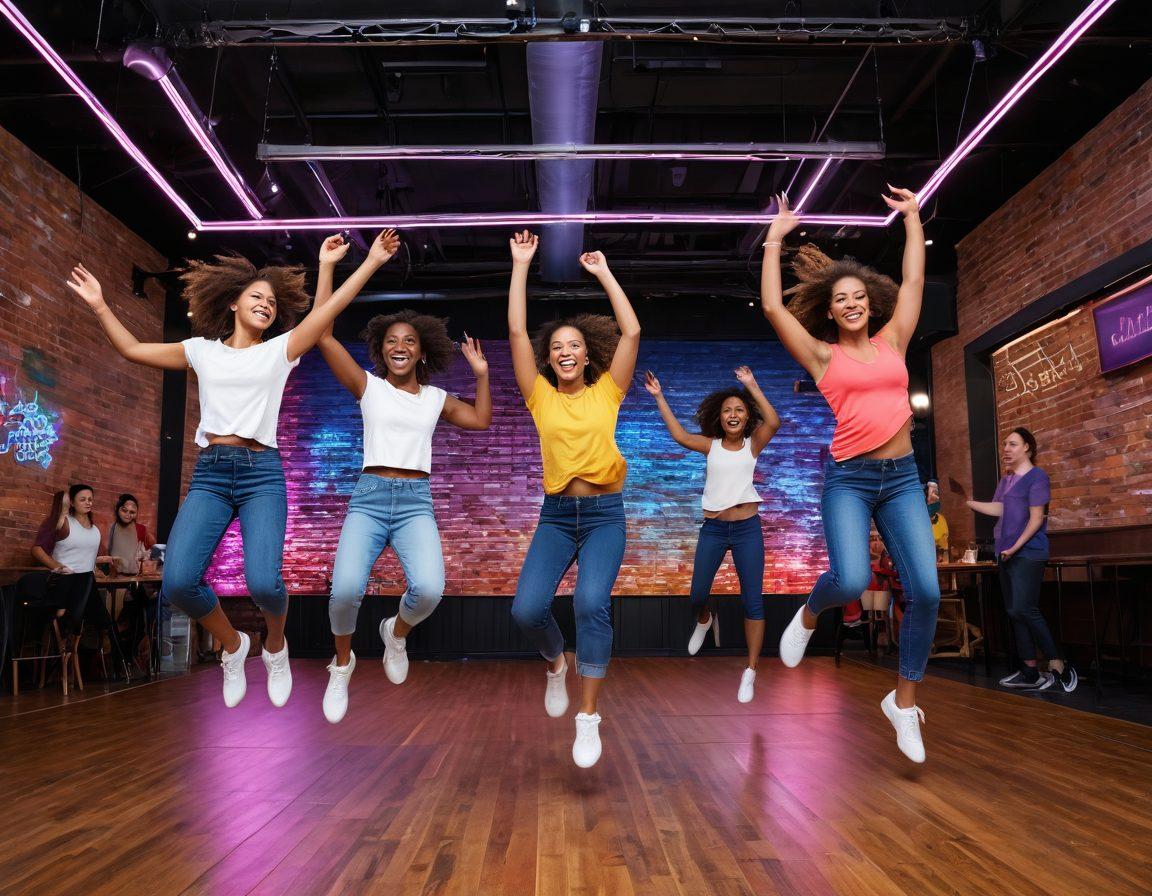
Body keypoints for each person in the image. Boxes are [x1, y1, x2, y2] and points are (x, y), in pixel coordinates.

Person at [65, 230, 398, 707]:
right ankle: (233, 644)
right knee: (179, 581)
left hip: (262, 472)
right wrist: (100, 304)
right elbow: (133, 350)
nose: (264, 304)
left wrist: (366, 263)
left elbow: (325, 315)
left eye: (270, 300)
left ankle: (275, 644)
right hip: (212, 474)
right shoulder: (202, 350)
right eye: (255, 297)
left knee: (264, 582)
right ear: (233, 304)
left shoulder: (278, 351)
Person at [760, 188, 941, 763]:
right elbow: (771, 307)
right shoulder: (820, 356)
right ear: (831, 310)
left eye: (860, 295)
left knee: (928, 593)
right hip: (850, 479)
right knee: (849, 577)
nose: (853, 303)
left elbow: (913, 282)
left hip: (903, 478)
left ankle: (903, 702)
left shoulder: (895, 340)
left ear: (870, 303)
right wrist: (774, 238)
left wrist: (912, 219)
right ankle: (810, 613)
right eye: (842, 299)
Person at [313, 234, 493, 723]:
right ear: (380, 349)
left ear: (422, 352)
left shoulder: (434, 397)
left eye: (408, 341)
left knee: (430, 590)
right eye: (391, 341)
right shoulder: (367, 386)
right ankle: (343, 663)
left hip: (415, 501)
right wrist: (330, 267)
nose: (399, 347)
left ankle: (396, 633)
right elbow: (322, 333)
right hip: (369, 499)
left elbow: (480, 421)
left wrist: (480, 374)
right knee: (345, 589)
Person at [507, 230, 641, 769]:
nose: (565, 352)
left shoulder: (609, 390)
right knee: (526, 610)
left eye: (574, 346)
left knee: (591, 604)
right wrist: (521, 265)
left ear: (588, 355)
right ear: (550, 358)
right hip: (559, 515)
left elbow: (631, 329)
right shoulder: (538, 396)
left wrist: (604, 272)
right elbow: (516, 330)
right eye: (557, 347)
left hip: (605, 514)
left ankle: (588, 719)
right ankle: (555, 662)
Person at [644, 365, 780, 703]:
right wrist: (660, 397)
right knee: (696, 595)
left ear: (747, 416)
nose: (733, 415)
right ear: (718, 418)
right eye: (727, 411)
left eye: (739, 409)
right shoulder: (711, 446)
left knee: (753, 601)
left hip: (748, 528)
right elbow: (678, 435)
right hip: (715, 529)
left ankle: (750, 671)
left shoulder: (753, 444)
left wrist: (752, 383)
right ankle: (705, 620)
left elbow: (774, 422)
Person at [964, 427, 1077, 692]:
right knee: (1014, 612)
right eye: (1004, 444)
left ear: (1028, 447)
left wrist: (1015, 547)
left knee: (1024, 609)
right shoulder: (1006, 481)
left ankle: (1059, 664)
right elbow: (999, 509)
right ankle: (1029, 672)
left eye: (1012, 444)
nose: (1006, 449)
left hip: (1028, 552)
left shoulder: (1037, 477)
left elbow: (1037, 518)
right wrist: (969, 502)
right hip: (1006, 552)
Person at [30, 484, 114, 644]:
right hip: (65, 585)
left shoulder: (95, 530)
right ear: (73, 503)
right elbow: (37, 550)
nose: (88, 502)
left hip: (87, 586)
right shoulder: (63, 522)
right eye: (82, 499)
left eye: (90, 499)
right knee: (99, 619)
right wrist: (58, 567)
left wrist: (98, 561)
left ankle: (79, 643)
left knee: (102, 623)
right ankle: (68, 636)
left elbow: (80, 556)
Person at [926, 480, 950, 561]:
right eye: (932, 497)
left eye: (937, 495)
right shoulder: (919, 519)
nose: (935, 499)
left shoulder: (941, 519)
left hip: (941, 558)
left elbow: (944, 544)